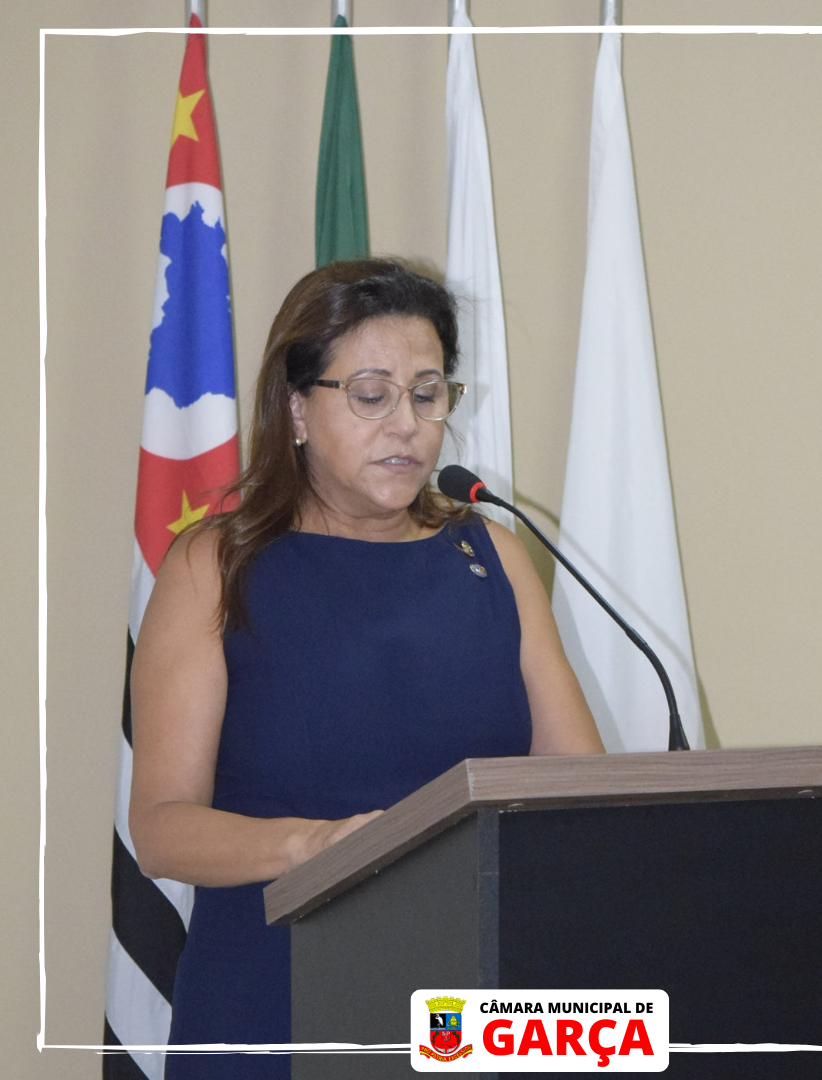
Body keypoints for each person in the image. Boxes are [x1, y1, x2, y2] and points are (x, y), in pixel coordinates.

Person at [128, 259, 604, 1078]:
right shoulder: (217, 565)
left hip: (472, 1013)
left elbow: (580, 793)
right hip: (274, 1003)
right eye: (372, 395)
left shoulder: (490, 555)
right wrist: (314, 846)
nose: (407, 425)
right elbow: (161, 828)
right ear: (296, 407)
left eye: (428, 394)